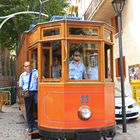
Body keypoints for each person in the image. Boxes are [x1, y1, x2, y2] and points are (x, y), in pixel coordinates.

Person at [19, 61, 38, 134]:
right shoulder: (22, 75)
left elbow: (41, 78)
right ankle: (30, 126)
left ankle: (38, 123)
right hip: (27, 93)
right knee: (28, 109)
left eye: (29, 65)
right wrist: (22, 93)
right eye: (27, 66)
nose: (29, 67)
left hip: (36, 92)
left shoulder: (35, 72)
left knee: (39, 106)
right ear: (24, 68)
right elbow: (21, 86)